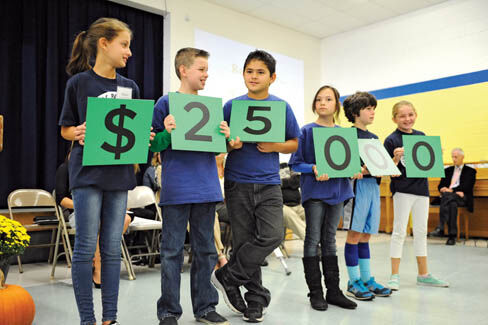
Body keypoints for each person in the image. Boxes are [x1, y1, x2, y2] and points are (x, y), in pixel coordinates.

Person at [58, 18, 152, 325]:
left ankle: (110, 318)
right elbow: (66, 130)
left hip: (119, 174)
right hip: (87, 174)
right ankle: (88, 319)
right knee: (86, 247)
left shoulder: (131, 87)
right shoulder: (79, 84)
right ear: (104, 43)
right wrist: (78, 132)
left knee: (112, 248)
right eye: (124, 45)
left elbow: (133, 131)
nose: (129, 52)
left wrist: (144, 135)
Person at [211, 50, 300, 323]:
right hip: (237, 182)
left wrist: (275, 146)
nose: (254, 76)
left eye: (260, 72)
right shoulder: (231, 106)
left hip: (269, 183)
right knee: (244, 242)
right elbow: (218, 144)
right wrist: (230, 145)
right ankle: (255, 301)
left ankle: (227, 276)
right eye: (249, 71)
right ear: (243, 74)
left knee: (272, 235)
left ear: (272, 78)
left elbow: (295, 143)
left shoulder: (281, 106)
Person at [151, 47, 229, 325]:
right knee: (171, 252)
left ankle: (206, 307)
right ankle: (169, 312)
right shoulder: (164, 103)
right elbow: (152, 146)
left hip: (207, 187)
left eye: (207, 69)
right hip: (176, 189)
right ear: (184, 70)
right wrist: (166, 133)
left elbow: (219, 148)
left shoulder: (211, 107)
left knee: (206, 250)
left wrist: (226, 137)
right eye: (201, 69)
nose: (206, 75)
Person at [289, 85, 358, 311]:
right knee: (312, 239)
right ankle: (315, 293)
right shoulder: (306, 131)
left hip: (338, 191)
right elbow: (295, 163)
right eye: (319, 99)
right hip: (315, 193)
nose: (322, 103)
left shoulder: (344, 133)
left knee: (330, 240)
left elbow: (348, 163)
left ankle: (334, 292)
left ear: (336, 104)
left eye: (328, 99)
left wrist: (354, 169)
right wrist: (314, 168)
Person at [384, 100, 449, 291]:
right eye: (402, 116)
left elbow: (427, 163)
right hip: (402, 190)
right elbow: (388, 170)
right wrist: (395, 158)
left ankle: (424, 274)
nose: (407, 119)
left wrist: (435, 154)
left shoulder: (421, 136)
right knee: (399, 232)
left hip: (422, 190)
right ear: (394, 118)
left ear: (416, 115)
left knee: (421, 232)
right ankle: (394, 275)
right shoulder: (391, 140)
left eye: (410, 114)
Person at [55, 150, 131, 289]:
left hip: (101, 209)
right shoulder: (64, 169)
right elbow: (61, 199)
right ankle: (98, 267)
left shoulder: (96, 168)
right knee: (97, 224)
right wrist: (87, 205)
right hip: (76, 211)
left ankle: (103, 256)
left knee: (124, 218)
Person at [342, 92, 392, 301]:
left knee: (366, 235)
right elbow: (345, 166)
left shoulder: (374, 138)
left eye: (373, 109)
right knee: (354, 235)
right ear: (355, 112)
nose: (372, 112)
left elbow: (379, 166)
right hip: (357, 188)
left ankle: (366, 278)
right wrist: (361, 168)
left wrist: (391, 163)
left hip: (373, 187)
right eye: (368, 108)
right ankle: (353, 281)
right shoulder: (347, 136)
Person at [428, 148, 476, 245]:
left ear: (462, 157)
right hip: (451, 198)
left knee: (447, 196)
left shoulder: (470, 171)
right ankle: (451, 237)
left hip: (462, 198)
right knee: (452, 204)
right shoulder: (448, 170)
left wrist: (453, 190)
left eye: (456, 157)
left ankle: (441, 228)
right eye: (452, 157)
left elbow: (467, 186)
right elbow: (440, 185)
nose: (454, 159)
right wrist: (443, 189)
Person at [280, 162, 306, 241]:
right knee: (292, 217)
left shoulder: (290, 166)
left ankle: (316, 243)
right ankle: (312, 242)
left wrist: (283, 182)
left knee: (313, 211)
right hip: (281, 206)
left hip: (297, 205)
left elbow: (297, 181)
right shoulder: (273, 168)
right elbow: (276, 184)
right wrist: (290, 181)